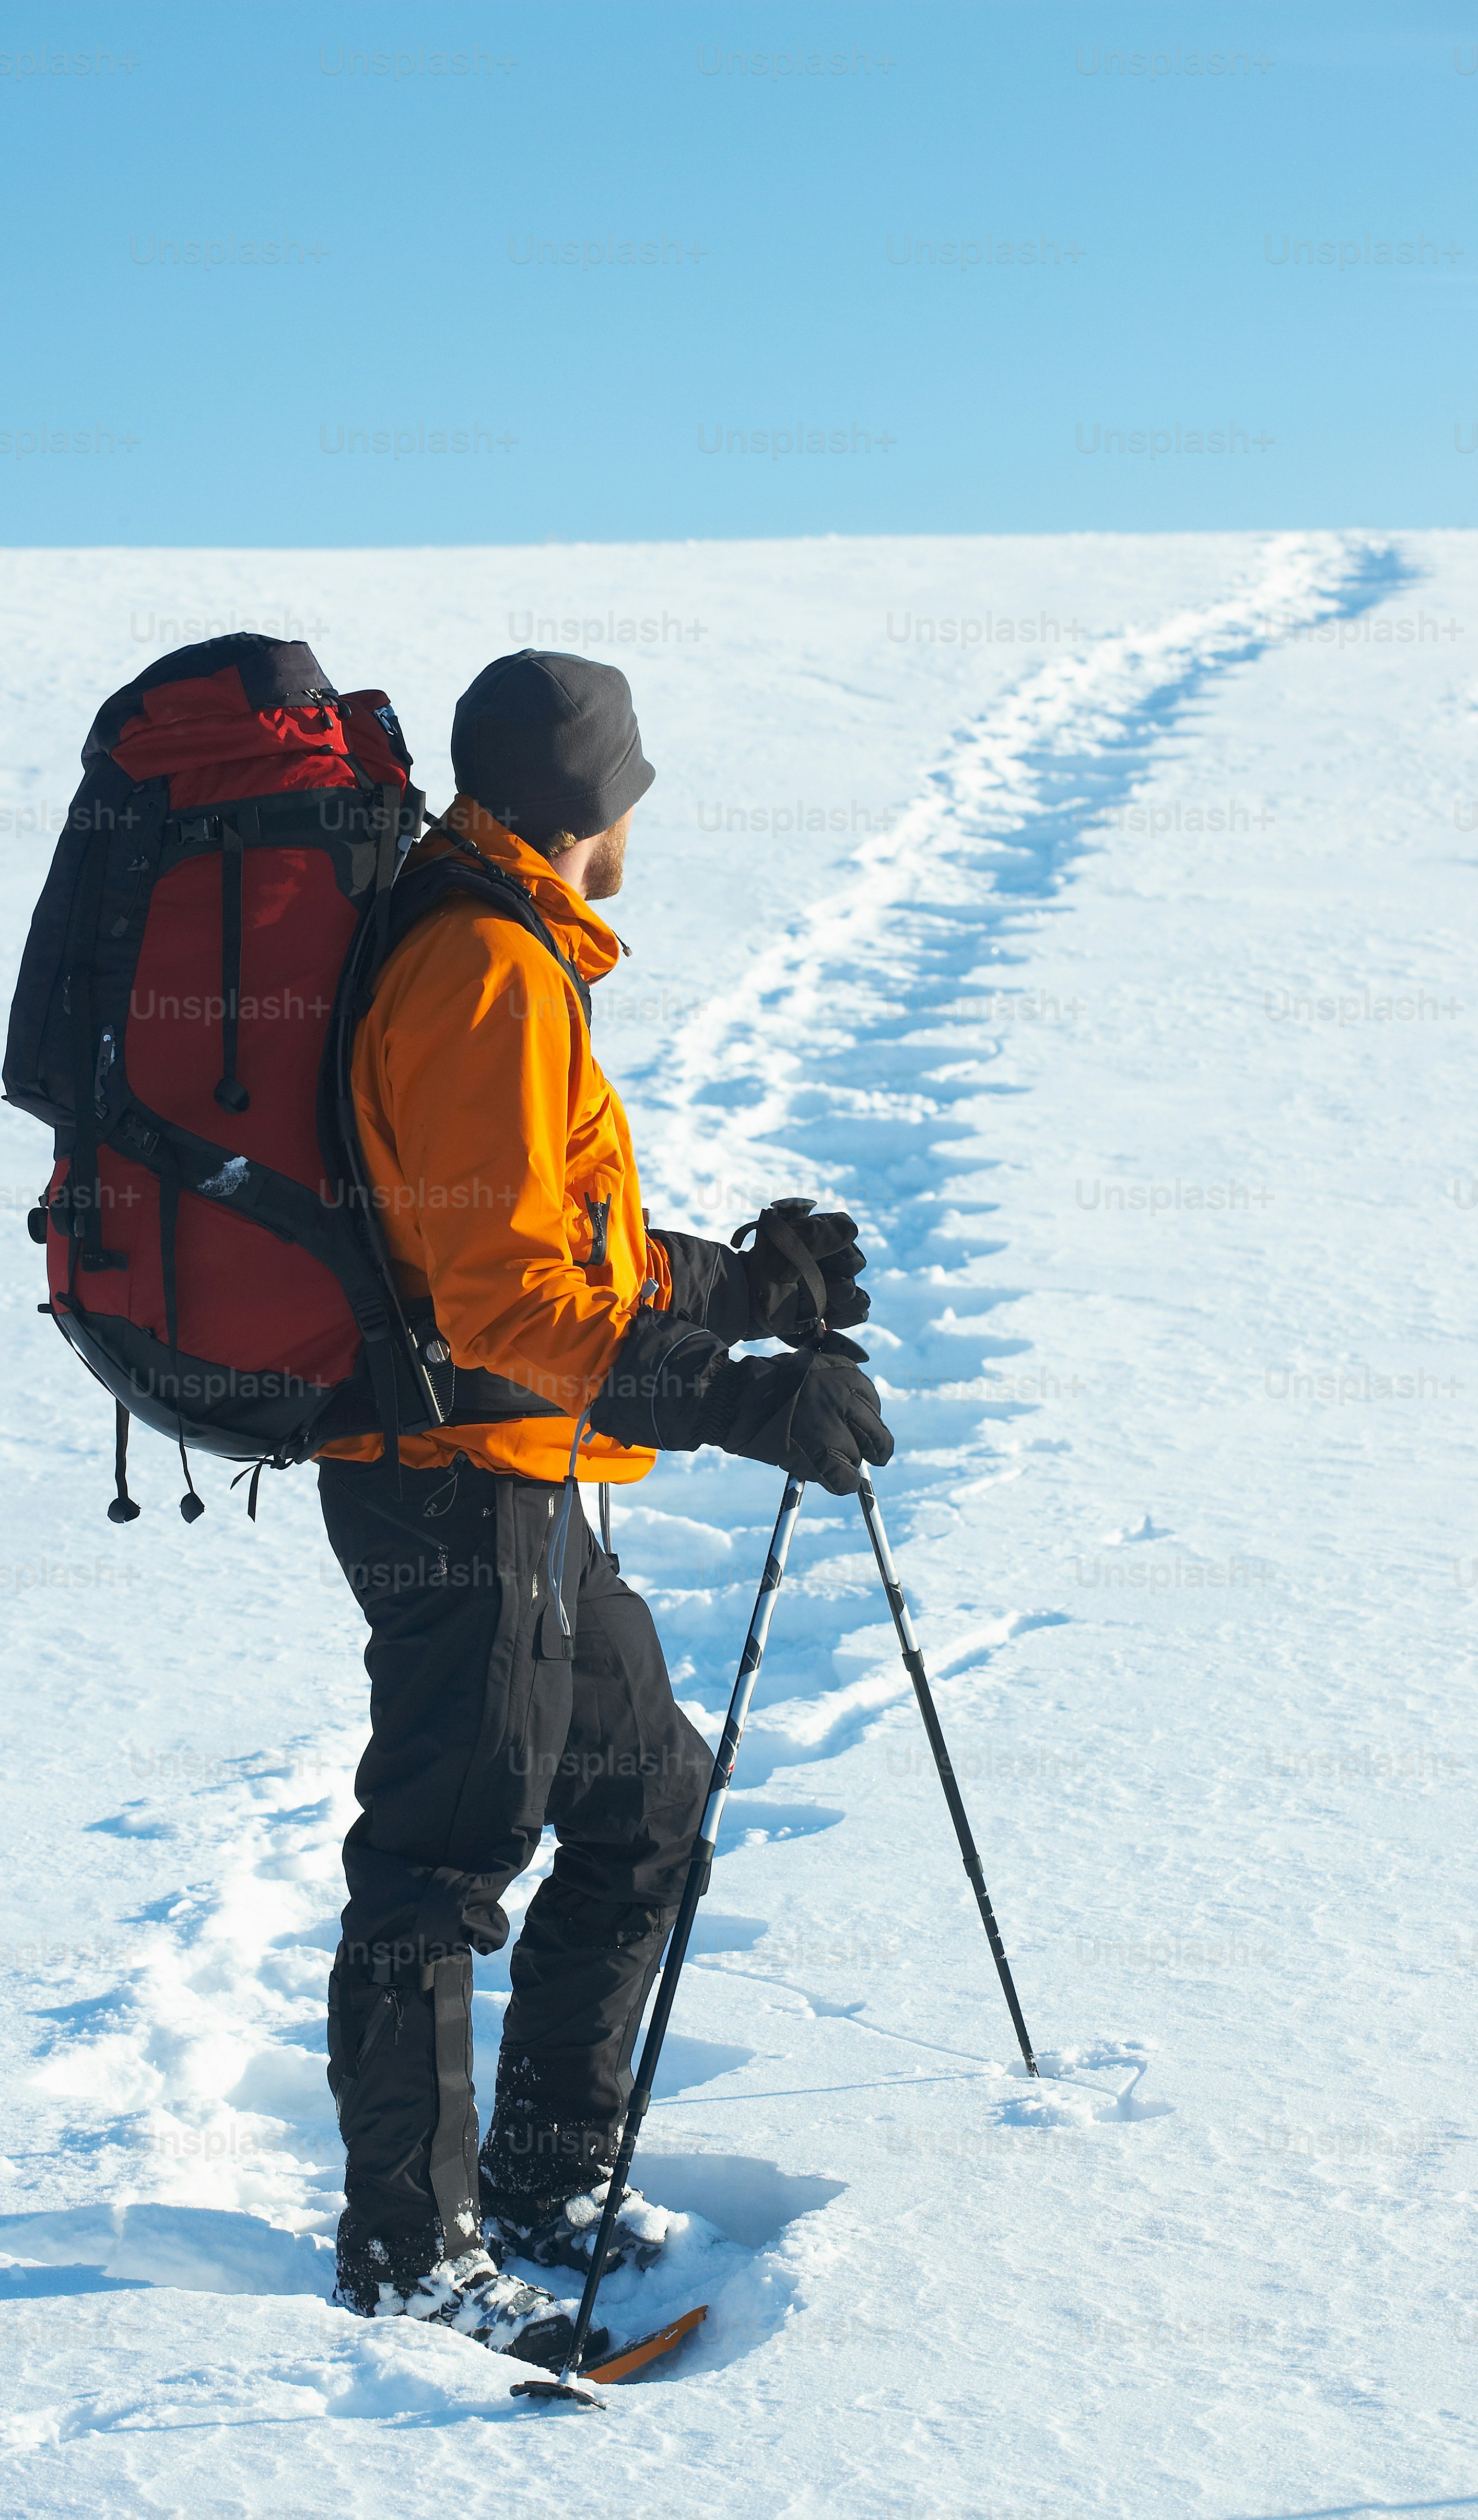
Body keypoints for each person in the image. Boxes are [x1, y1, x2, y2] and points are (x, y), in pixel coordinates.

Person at [314, 649, 893, 2366]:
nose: (637, 814)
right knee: (436, 1868)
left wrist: (745, 1287)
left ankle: (550, 2175)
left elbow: (557, 1246)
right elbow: (503, 1307)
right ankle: (407, 2259)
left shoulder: (510, 951)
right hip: (449, 1486)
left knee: (648, 1800)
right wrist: (733, 1398)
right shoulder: (484, 968)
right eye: (627, 787)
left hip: (520, 1475)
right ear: (585, 804)